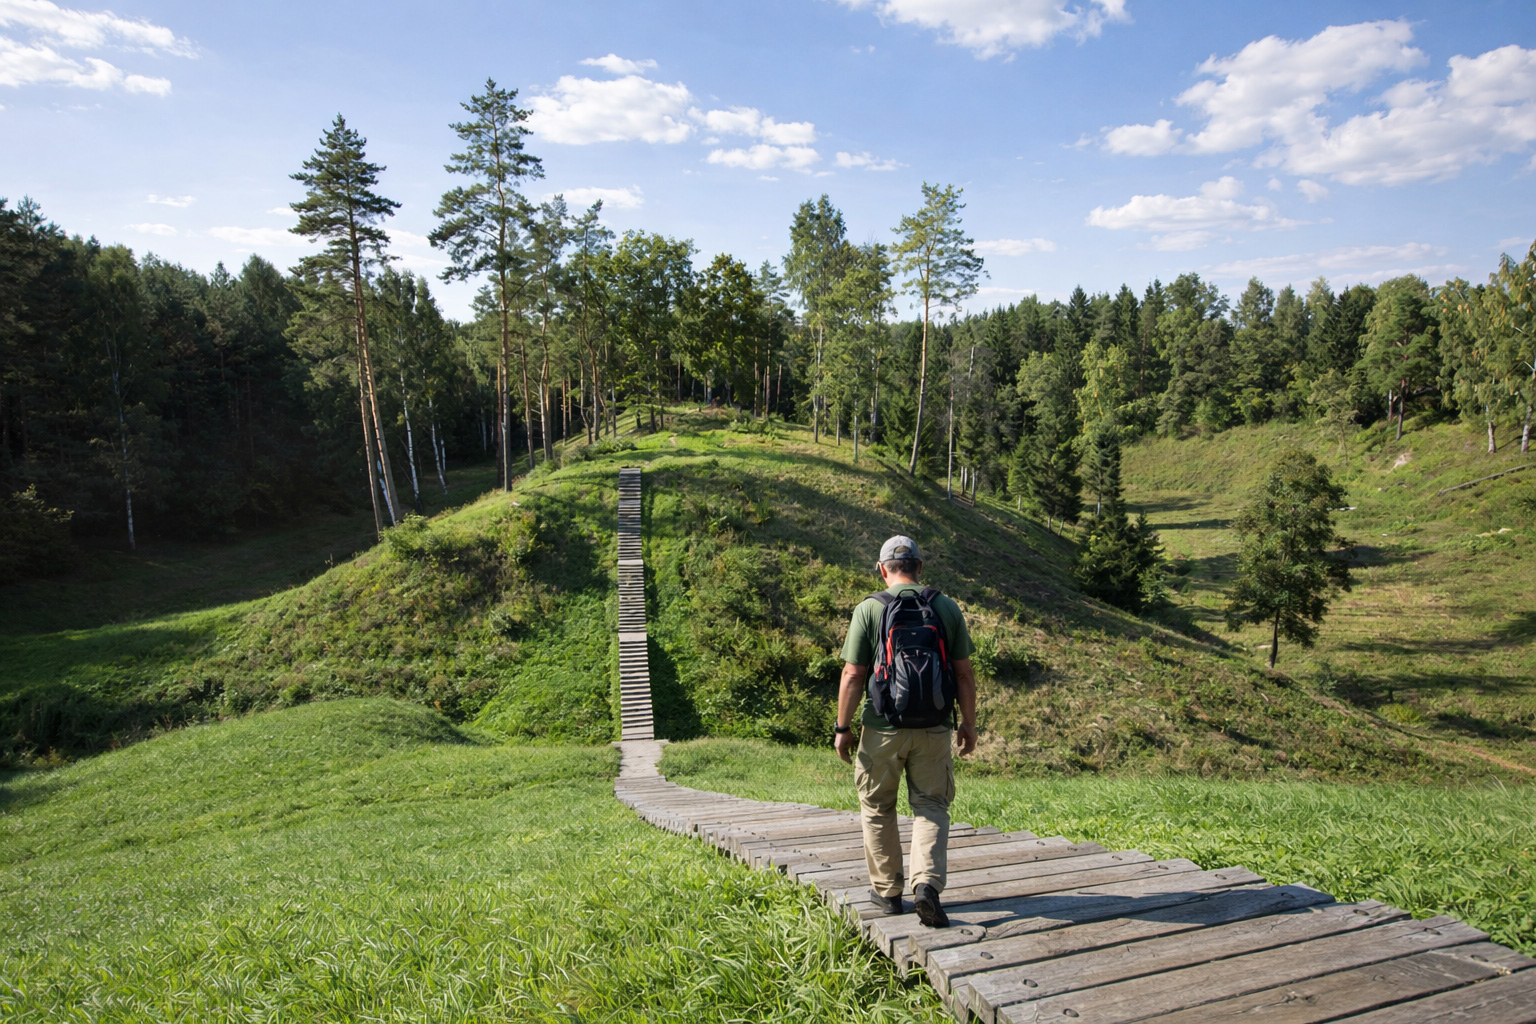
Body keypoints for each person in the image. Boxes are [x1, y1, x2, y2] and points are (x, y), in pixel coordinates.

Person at [834, 535, 977, 927]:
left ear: (882, 569)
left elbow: (852, 675)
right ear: (919, 566)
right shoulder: (945, 607)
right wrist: (968, 724)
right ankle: (927, 885)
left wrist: (842, 727)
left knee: (878, 806)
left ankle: (887, 892)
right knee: (931, 805)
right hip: (933, 727)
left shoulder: (870, 609)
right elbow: (963, 673)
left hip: (882, 726)